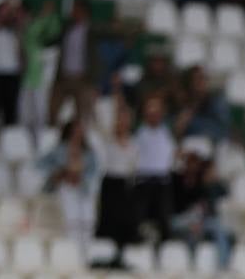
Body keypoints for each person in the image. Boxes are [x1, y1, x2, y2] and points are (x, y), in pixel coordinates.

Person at [38, 120, 101, 262]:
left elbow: (95, 172)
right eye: (75, 131)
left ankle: (86, 250)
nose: (78, 135)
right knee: (71, 219)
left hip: (83, 188)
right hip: (65, 187)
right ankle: (71, 251)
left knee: (87, 219)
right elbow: (40, 165)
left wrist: (82, 177)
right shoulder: (59, 150)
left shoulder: (89, 153)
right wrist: (59, 173)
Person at [170, 147, 233, 267]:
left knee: (218, 226)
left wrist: (198, 220)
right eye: (190, 163)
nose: (193, 167)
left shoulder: (201, 183)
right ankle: (191, 263)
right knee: (191, 228)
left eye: (195, 164)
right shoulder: (175, 180)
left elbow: (203, 206)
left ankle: (223, 264)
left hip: (197, 220)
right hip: (179, 219)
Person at [95, 105, 139, 258]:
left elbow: (134, 168)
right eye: (120, 119)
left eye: (126, 119)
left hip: (125, 185)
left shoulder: (134, 144)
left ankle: (122, 253)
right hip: (110, 184)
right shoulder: (107, 142)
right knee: (109, 221)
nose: (123, 123)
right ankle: (105, 253)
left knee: (125, 221)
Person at [133, 95, 176, 244]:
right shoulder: (138, 132)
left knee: (164, 219)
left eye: (157, 111)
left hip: (162, 182)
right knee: (138, 218)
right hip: (143, 180)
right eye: (150, 111)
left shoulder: (167, 132)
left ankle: (167, 250)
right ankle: (136, 247)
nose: (154, 114)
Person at [19, 0, 62, 135]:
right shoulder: (28, 35)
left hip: (40, 77)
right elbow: (31, 32)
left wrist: (49, 15)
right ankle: (23, 139)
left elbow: (53, 29)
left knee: (40, 111)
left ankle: (40, 138)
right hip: (25, 77)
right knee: (24, 112)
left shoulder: (41, 44)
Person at [49, 0, 95, 124]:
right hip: (63, 77)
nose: (73, 13)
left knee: (81, 115)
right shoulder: (67, 28)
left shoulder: (92, 30)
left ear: (84, 12)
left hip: (82, 79)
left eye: (76, 10)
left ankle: (77, 140)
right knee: (52, 112)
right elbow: (51, 40)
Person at [172, 66, 231, 144]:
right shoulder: (183, 103)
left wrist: (193, 124)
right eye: (196, 79)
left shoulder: (217, 101)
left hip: (214, 145)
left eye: (203, 78)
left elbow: (222, 130)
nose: (200, 82)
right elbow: (175, 135)